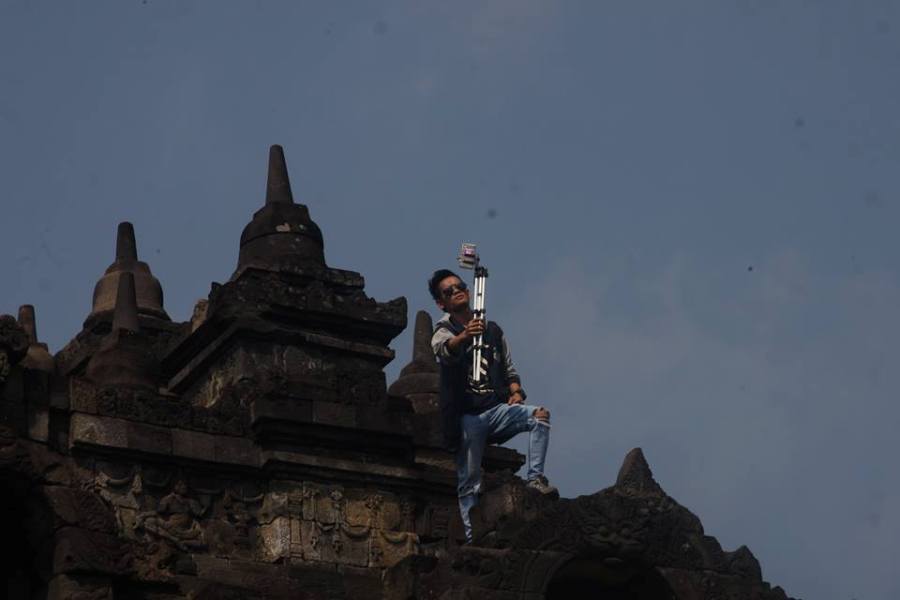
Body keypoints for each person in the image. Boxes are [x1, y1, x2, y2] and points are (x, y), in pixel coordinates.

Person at [428, 268, 556, 544]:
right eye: (448, 291)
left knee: (539, 416)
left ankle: (535, 478)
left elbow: (509, 367)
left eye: (459, 286)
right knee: (469, 480)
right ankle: (473, 536)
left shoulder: (492, 329)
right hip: (467, 416)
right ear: (441, 302)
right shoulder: (443, 329)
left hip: (495, 408)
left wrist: (516, 392)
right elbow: (442, 351)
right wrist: (464, 337)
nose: (457, 291)